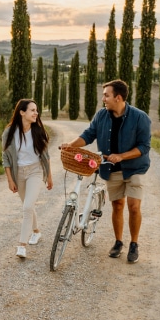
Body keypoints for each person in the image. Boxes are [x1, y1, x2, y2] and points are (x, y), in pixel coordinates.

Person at [61, 79, 151, 263]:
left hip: (135, 168)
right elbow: (88, 135)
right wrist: (70, 145)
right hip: (111, 169)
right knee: (117, 205)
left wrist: (122, 156)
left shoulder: (140, 117)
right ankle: (118, 242)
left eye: (106, 95)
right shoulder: (101, 115)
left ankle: (134, 244)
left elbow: (144, 146)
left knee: (134, 207)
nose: (103, 99)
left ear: (118, 97)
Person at [2, 99, 53, 259]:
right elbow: (6, 158)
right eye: (32, 110)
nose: (36, 113)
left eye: (36, 110)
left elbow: (46, 156)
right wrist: (10, 180)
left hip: (35, 172)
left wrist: (49, 176)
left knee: (27, 207)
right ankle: (36, 232)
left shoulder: (38, 131)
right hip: (19, 174)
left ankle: (22, 245)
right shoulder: (9, 132)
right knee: (27, 206)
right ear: (22, 112)